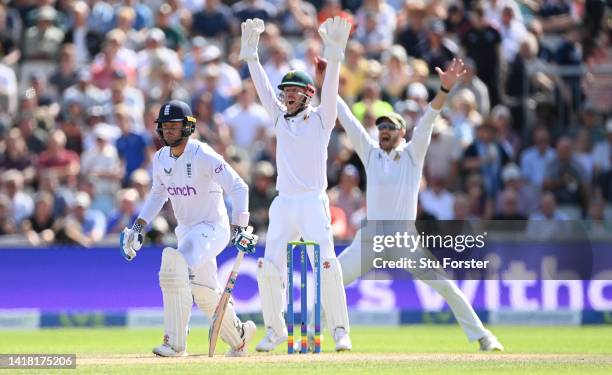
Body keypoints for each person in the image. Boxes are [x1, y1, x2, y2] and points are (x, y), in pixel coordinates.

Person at [317, 57, 504, 351]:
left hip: (405, 240)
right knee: (331, 278)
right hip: (372, 238)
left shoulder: (413, 155)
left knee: (444, 284)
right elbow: (346, 116)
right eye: (381, 128)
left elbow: (429, 118)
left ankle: (483, 336)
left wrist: (444, 90)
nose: (384, 132)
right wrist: (326, 82)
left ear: (402, 132)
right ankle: (330, 334)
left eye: (390, 128)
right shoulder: (370, 153)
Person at [240, 17, 353, 351]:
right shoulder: (279, 119)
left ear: (307, 95)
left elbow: (330, 91)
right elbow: (262, 87)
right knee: (268, 267)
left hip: (312, 202)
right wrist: (251, 56)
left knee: (328, 264)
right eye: (285, 91)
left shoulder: (322, 119)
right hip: (284, 203)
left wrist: (334, 55)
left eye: (294, 92)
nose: (287, 96)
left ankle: (340, 332)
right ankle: (275, 330)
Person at [119, 100, 259, 357]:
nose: (169, 131)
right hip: (186, 230)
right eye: (165, 126)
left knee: (175, 266)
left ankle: (174, 343)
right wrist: (138, 225)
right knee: (203, 290)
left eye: (174, 126)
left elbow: (239, 186)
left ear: (187, 128)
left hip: (213, 227)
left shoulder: (202, 154)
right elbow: (158, 194)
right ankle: (238, 338)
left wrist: (240, 227)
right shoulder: (160, 158)